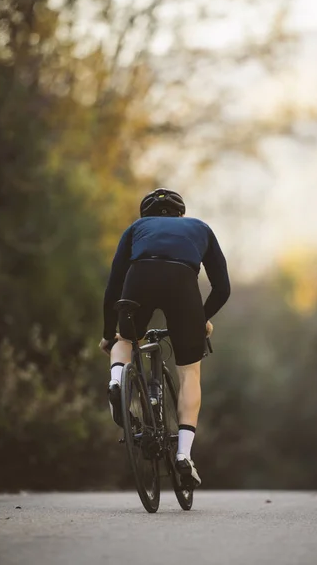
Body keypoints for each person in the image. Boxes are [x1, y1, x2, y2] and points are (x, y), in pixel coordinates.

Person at [99, 188, 231, 487]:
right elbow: (222, 288)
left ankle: (117, 382)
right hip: (182, 284)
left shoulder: (135, 229)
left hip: (139, 278)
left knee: (125, 341)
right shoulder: (200, 228)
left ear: (145, 215)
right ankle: (184, 455)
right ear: (181, 214)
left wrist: (109, 335)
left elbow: (113, 288)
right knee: (189, 372)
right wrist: (201, 320)